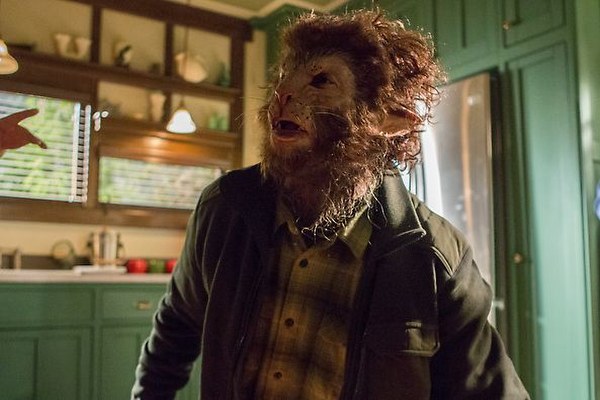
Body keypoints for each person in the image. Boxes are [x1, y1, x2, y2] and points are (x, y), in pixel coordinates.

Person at [132, 9, 529, 399]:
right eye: (282, 74)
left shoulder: (436, 258)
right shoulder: (223, 209)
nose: (283, 93)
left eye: (321, 80)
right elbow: (176, 328)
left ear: (387, 120)